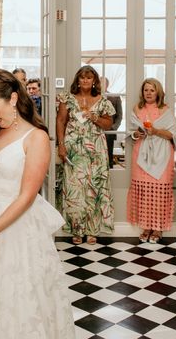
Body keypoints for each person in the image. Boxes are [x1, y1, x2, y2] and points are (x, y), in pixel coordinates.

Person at [0, 69, 74, 338]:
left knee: (16, 296)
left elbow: (26, 197)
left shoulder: (35, 137)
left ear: (12, 98)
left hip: (14, 228)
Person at [56, 65, 115, 245]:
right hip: (74, 150)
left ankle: (92, 229)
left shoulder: (103, 101)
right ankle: (76, 229)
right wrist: (61, 145)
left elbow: (108, 124)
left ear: (94, 80)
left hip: (96, 150)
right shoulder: (67, 98)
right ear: (77, 80)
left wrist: (94, 117)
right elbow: (61, 121)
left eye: (89, 78)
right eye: (82, 78)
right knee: (75, 189)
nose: (85, 81)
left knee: (94, 189)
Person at [127, 78, 176, 244]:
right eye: (146, 90)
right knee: (144, 191)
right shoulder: (137, 108)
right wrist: (138, 134)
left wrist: (155, 131)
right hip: (141, 154)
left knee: (160, 191)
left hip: (162, 156)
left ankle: (158, 228)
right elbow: (130, 132)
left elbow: (173, 134)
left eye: (152, 90)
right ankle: (146, 227)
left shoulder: (165, 110)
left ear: (158, 92)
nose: (148, 93)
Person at [101, 76, 123, 168]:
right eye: (99, 83)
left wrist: (113, 128)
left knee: (109, 157)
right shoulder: (93, 98)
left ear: (107, 85)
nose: (101, 85)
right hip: (96, 131)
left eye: (103, 83)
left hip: (110, 132)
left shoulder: (115, 97)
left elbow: (119, 116)